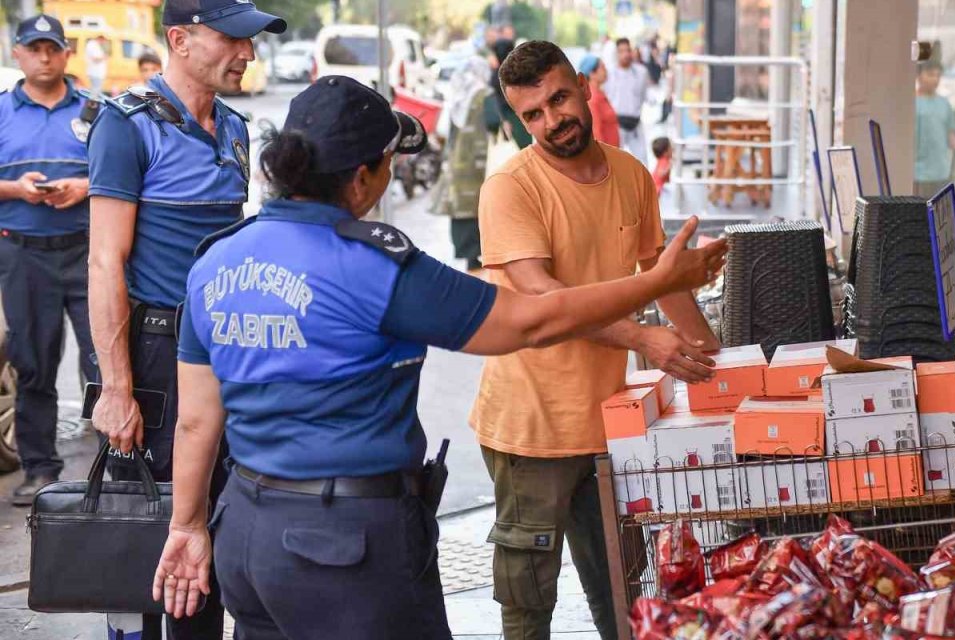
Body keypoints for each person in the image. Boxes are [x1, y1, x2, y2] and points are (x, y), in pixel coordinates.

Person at [149, 74, 727, 638]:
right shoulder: (375, 269)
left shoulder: (216, 263)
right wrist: (658, 281)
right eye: (388, 159)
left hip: (246, 537)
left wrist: (186, 526)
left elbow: (198, 420)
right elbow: (534, 320)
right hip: (347, 550)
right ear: (360, 178)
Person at [475, 40, 723, 640]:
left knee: (622, 585)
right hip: (530, 427)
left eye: (559, 99)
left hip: (611, 424)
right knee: (528, 598)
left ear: (586, 87)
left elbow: (660, 278)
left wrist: (718, 361)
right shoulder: (511, 187)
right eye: (531, 114)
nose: (551, 120)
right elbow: (541, 297)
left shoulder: (632, 175)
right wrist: (645, 338)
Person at [85, 0, 285, 637]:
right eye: (233, 40)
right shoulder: (127, 126)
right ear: (180, 39)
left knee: (214, 529)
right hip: (153, 357)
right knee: (148, 536)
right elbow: (103, 264)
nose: (247, 55)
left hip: (221, 352)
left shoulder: (233, 128)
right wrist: (116, 390)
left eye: (250, 43)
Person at [0, 14, 97, 506]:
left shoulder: (96, 111)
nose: (44, 57)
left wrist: (84, 186)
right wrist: (15, 189)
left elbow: (127, 177)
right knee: (33, 363)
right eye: (34, 48)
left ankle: (118, 465)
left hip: (88, 251)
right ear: (17, 53)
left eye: (52, 49)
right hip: (23, 254)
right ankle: (40, 468)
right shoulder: (0, 112)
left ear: (65, 54)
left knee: (105, 358)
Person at [442, 53, 494, 272]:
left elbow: (443, 131)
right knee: (481, 206)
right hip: (482, 163)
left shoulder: (457, 97)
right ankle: (479, 254)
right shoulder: (485, 95)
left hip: (458, 164)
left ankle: (469, 255)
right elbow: (494, 122)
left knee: (462, 208)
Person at [914, 58, 955, 198]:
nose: (935, 79)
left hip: (941, 173)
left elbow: (951, 135)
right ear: (919, 76)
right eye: (931, 75)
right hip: (919, 174)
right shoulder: (913, 103)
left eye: (938, 75)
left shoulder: (944, 104)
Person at [604, 37, 651, 162]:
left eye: (627, 50)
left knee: (642, 161)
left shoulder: (641, 72)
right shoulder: (609, 73)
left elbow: (644, 95)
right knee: (615, 162)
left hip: (635, 122)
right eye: (621, 51)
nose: (625, 54)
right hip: (617, 123)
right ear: (617, 53)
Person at [579, 54, 618, 147]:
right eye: (603, 68)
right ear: (592, 74)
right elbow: (596, 133)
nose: (606, 71)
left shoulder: (599, 93)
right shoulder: (592, 98)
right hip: (606, 156)